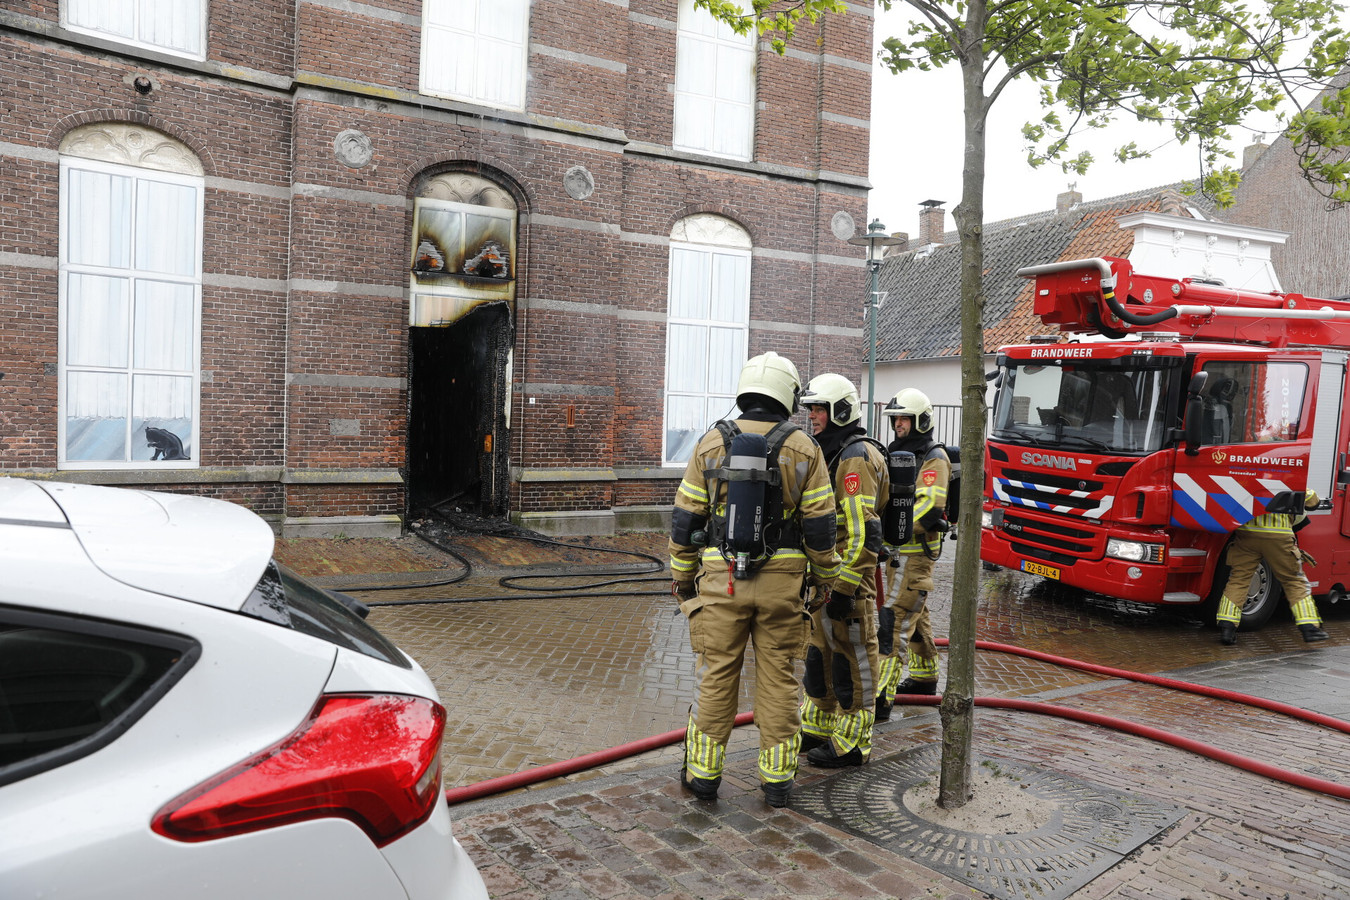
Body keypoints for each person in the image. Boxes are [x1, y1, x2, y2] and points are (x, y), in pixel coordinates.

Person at [669, 351, 841, 808]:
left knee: (716, 674)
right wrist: (826, 580)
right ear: (787, 395)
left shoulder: (709, 443)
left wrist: (684, 579)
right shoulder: (806, 449)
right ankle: (778, 781)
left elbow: (685, 522)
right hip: (783, 586)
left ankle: (703, 776)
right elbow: (822, 529)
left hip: (721, 581)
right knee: (780, 679)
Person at [796, 373, 888, 768]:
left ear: (841, 411)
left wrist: (844, 588)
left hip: (848, 583)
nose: (813, 416)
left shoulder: (854, 458)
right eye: (811, 409)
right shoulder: (831, 451)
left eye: (820, 409)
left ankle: (853, 744)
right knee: (821, 656)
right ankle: (819, 726)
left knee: (853, 662)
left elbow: (861, 531)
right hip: (828, 580)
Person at [875, 388, 952, 721]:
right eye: (895, 419)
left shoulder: (933, 457)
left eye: (904, 418)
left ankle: (879, 696)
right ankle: (923, 677)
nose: (898, 425)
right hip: (898, 553)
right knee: (914, 614)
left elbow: (928, 507)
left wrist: (891, 531)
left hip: (915, 552)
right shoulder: (897, 451)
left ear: (921, 420)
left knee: (893, 621)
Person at [1216, 489, 1329, 645]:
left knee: (1238, 579)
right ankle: (1309, 627)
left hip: (1247, 534)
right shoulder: (1290, 478)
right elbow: (1312, 501)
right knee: (1293, 581)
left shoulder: (1246, 476)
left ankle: (1227, 627)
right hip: (1279, 537)